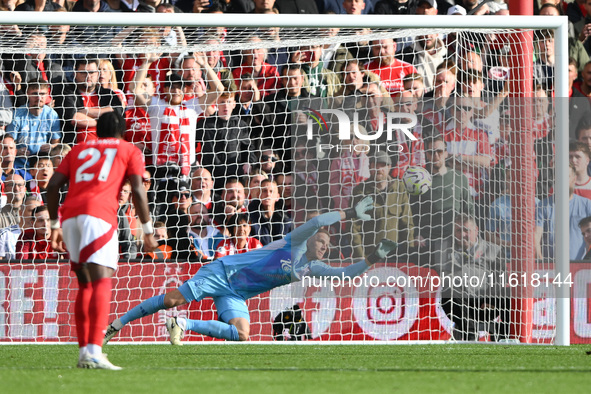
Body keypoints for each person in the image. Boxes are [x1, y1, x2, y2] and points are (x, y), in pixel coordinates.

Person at [103, 196, 397, 345]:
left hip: (236, 293)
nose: (323, 247)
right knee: (171, 300)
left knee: (243, 334)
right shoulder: (293, 243)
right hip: (222, 273)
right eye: (321, 242)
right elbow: (318, 220)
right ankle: (117, 324)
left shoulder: (311, 268)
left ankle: (183, 325)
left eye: (326, 246)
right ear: (311, 240)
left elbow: (345, 275)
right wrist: (349, 213)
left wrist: (374, 257)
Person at [46, 111, 157, 370]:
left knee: (85, 284)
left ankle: (86, 351)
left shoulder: (79, 149)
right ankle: (95, 350)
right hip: (99, 216)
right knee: (102, 280)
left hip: (70, 217)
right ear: (123, 131)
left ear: (97, 130)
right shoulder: (129, 149)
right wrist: (148, 230)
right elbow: (138, 190)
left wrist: (54, 225)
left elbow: (53, 186)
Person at [435, 214, 510, 341]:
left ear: (476, 230)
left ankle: (505, 337)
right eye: (459, 231)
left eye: (466, 230)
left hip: (487, 302)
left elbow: (501, 278)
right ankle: (470, 333)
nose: (463, 234)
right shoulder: (445, 249)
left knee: (509, 295)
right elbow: (445, 277)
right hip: (461, 303)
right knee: (448, 292)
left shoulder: (494, 250)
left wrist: (489, 298)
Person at [6, 78, 61, 170]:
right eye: (35, 93)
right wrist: (17, 151)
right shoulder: (17, 114)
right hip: (19, 165)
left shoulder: (52, 115)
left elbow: (56, 142)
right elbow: (9, 142)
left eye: (42, 94)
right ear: (27, 94)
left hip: (42, 166)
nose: (39, 97)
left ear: (47, 94)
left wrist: (51, 147)